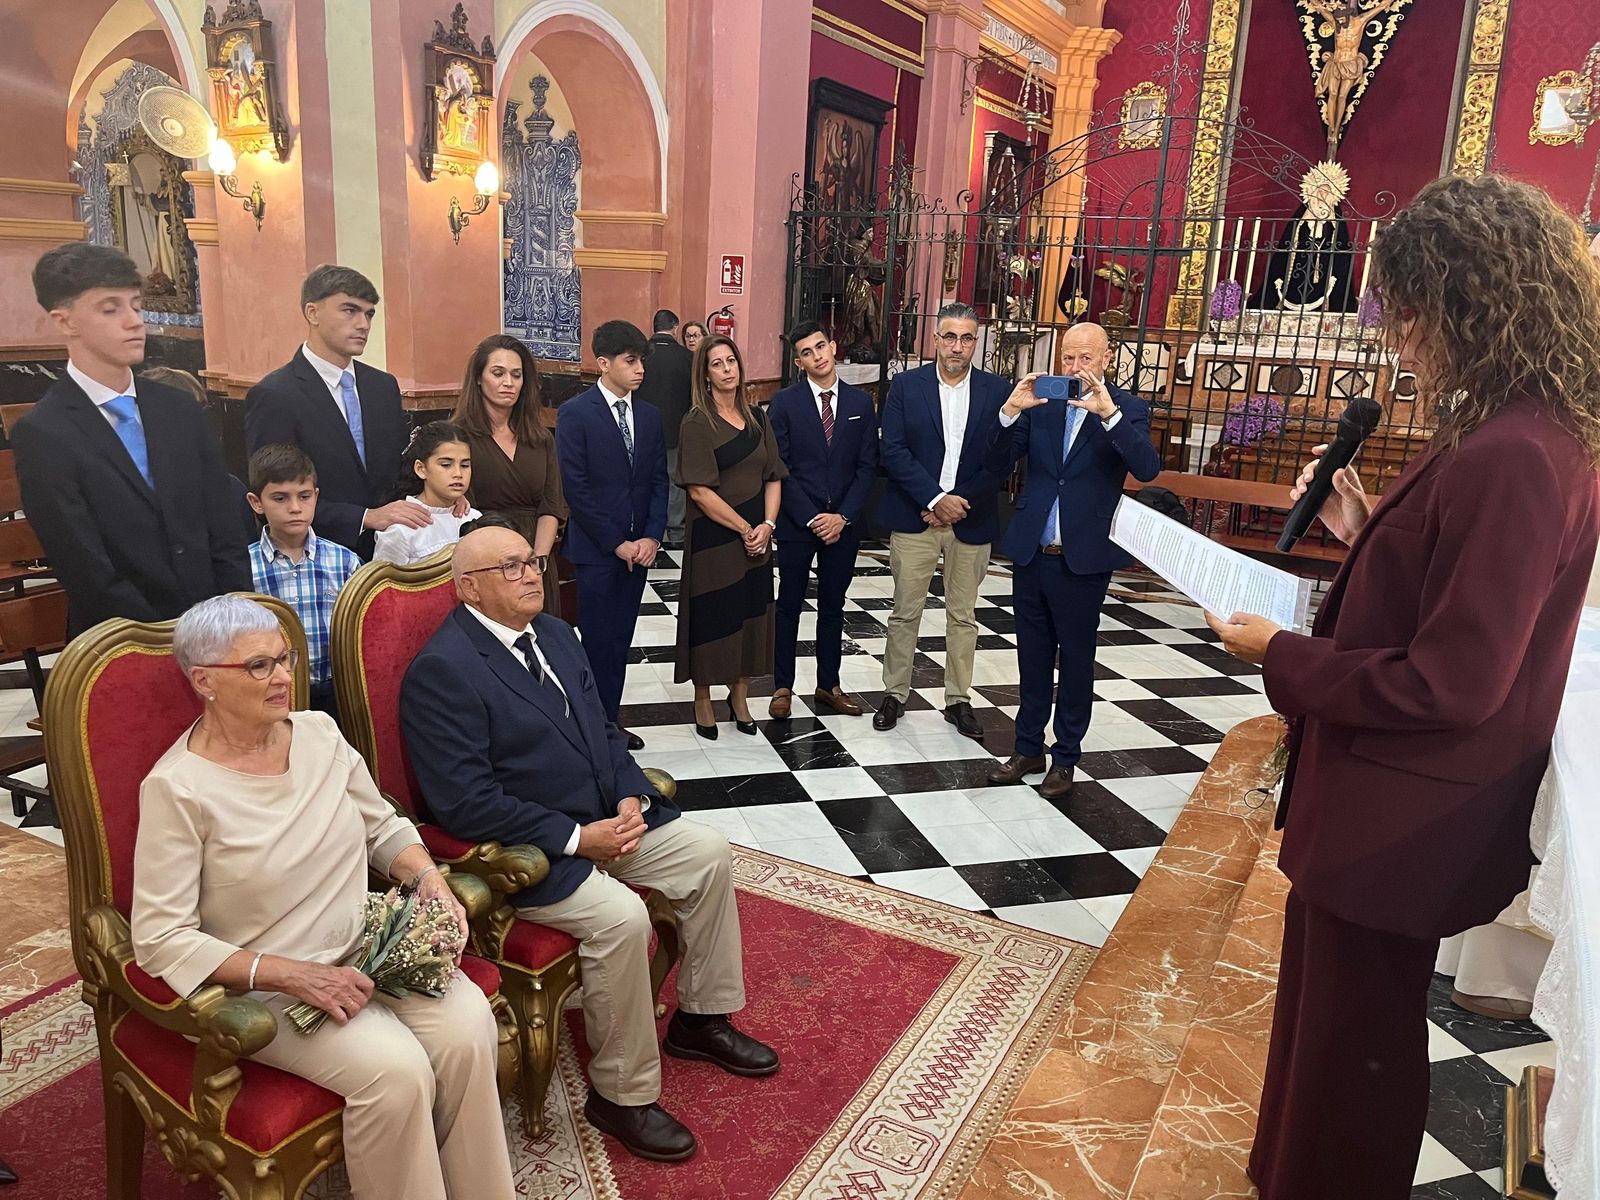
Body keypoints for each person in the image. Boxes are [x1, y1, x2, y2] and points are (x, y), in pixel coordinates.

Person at [1206, 174, 1600, 1200]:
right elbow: (1452, 587)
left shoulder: (1518, 449)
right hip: (1398, 800)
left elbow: (1454, 681)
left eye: (1408, 308)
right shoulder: (1523, 426)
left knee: (1351, 1053)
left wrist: (1276, 655)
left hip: (1405, 808)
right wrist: (1358, 525)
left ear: (1465, 300)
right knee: (1330, 1031)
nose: (1397, 337)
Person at [399, 526, 777, 1163]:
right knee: (622, 918)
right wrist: (578, 838)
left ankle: (701, 1018)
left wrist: (631, 796)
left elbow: (604, 730)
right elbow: (462, 802)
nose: (531, 575)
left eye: (533, 561)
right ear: (469, 588)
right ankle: (621, 1096)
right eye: (512, 566)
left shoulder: (553, 632)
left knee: (708, 850)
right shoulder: (443, 671)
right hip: (532, 849)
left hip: (608, 815)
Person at [131, 596, 514, 1200]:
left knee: (469, 1030)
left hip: (372, 944)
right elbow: (161, 938)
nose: (284, 676)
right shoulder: (177, 789)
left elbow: (381, 826)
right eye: (258, 666)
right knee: (396, 1071)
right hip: (272, 986)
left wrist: (429, 880)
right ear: (203, 680)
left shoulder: (319, 734)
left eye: (284, 659)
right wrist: (295, 976)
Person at [14, 244, 250, 637]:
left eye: (135, 306)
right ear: (65, 320)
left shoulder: (179, 409)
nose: (134, 321)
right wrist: (161, 638)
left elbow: (224, 526)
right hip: (120, 639)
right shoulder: (44, 432)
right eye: (111, 309)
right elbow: (85, 566)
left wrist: (232, 613)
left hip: (215, 627)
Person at [983, 324, 1162, 799]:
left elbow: (1146, 468)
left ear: (1107, 359)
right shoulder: (1043, 405)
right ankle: (1027, 748)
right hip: (1032, 551)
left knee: (1076, 661)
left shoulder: (1129, 409)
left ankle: (1065, 757)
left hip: (1083, 558)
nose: (1076, 367)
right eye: (1068, 358)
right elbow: (995, 464)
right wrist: (1007, 412)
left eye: (1086, 357)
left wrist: (1110, 417)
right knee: (1031, 656)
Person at [873, 301, 1013, 740]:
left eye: (967, 337)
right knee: (904, 611)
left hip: (969, 520)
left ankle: (958, 700)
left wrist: (957, 502)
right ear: (935, 338)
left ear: (977, 341)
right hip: (916, 516)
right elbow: (892, 450)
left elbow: (1002, 458)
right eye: (949, 336)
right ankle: (894, 693)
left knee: (963, 615)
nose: (957, 346)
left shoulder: (996, 390)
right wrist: (933, 498)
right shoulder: (905, 386)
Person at [246, 266, 443, 558]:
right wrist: (365, 517)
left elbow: (403, 467)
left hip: (397, 548)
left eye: (369, 314)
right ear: (312, 313)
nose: (363, 324)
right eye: (350, 311)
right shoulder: (276, 395)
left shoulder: (382, 386)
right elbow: (273, 494)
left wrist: (444, 497)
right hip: (317, 554)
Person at [555, 320, 668, 751]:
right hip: (597, 550)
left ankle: (611, 720)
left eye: (642, 361)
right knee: (598, 640)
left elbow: (659, 480)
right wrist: (615, 541)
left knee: (621, 638)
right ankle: (593, 726)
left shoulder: (651, 415)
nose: (640, 369)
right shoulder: (576, 413)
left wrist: (652, 537)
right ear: (603, 363)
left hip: (639, 550)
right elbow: (576, 488)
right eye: (630, 360)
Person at [674, 335, 786, 738]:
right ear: (704, 374)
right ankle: (703, 697)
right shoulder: (696, 421)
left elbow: (773, 476)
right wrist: (743, 529)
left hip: (758, 535)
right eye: (717, 364)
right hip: (715, 538)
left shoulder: (759, 417)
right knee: (712, 616)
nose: (727, 369)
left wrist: (767, 527)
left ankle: (739, 695)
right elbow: (700, 491)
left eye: (731, 361)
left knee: (752, 614)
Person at [767, 320, 877, 720]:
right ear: (799, 362)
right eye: (808, 353)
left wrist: (843, 516)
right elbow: (781, 467)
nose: (818, 356)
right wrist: (814, 516)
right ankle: (782, 686)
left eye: (821, 347)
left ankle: (829, 684)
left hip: (843, 526)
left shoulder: (861, 404)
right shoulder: (785, 403)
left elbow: (867, 467)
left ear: (833, 346)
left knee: (833, 605)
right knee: (789, 606)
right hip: (800, 523)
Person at [449, 333, 567, 617]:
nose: (508, 383)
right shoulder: (457, 436)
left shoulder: (540, 438)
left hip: (535, 558)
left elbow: (552, 505)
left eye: (516, 375)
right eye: (498, 373)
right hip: (486, 560)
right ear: (479, 378)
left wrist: (537, 561)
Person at [245, 443, 363, 718]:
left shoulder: (344, 561)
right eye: (280, 498)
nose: (295, 508)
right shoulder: (245, 566)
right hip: (272, 692)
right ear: (256, 502)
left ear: (316, 496)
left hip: (340, 691)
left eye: (304, 496)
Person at [372, 422, 482, 565]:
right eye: (446, 465)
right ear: (421, 469)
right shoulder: (401, 530)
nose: (458, 474)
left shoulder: (474, 518)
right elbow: (384, 584)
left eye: (465, 465)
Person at [635, 309, 694, 549]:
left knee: (641, 478)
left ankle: (646, 529)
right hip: (677, 428)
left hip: (641, 430)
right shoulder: (687, 357)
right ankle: (676, 531)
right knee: (673, 481)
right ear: (675, 327)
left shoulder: (640, 356)